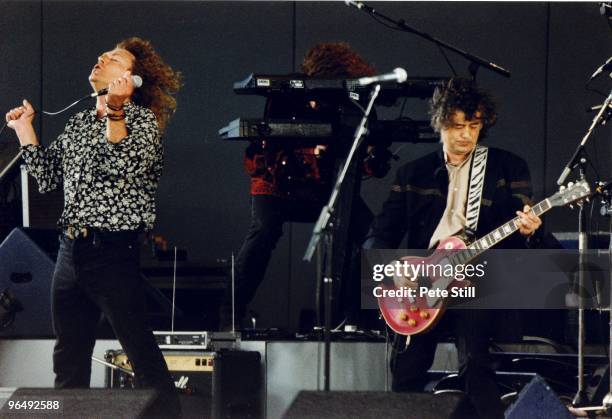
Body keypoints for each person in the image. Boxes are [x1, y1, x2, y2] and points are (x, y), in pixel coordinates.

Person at [5, 37, 182, 417]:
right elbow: (48, 178)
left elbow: (120, 163)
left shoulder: (143, 123)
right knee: (67, 361)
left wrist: (117, 112)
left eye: (114, 58)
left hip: (113, 255)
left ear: (131, 78)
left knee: (142, 358)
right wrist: (25, 130)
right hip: (70, 254)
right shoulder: (81, 122)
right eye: (103, 54)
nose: (101, 57)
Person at [364, 78, 542, 419]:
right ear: (440, 124)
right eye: (457, 126)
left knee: (475, 366)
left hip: (476, 277)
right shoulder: (412, 173)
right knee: (406, 374)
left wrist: (531, 229)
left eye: (474, 126)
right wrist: (392, 269)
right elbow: (378, 236)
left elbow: (522, 230)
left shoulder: (507, 167)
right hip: (422, 284)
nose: (466, 135)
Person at [221, 42, 384, 330]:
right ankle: (229, 311)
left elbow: (368, 155)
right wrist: (313, 151)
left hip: (324, 186)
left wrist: (372, 156)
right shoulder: (286, 94)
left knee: (370, 234)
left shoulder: (353, 99)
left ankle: (352, 316)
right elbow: (270, 148)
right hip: (277, 182)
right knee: (264, 230)